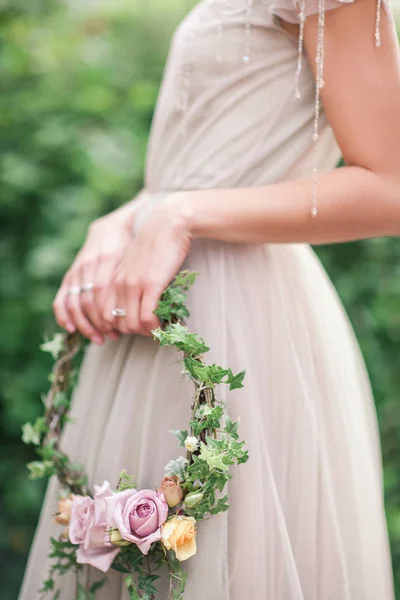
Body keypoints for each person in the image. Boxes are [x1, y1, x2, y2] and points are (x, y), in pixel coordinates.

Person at [19, 0, 400, 598]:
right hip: (156, 307)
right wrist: (123, 220)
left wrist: (178, 215)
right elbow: (203, 163)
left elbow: (391, 185)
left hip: (239, 316)